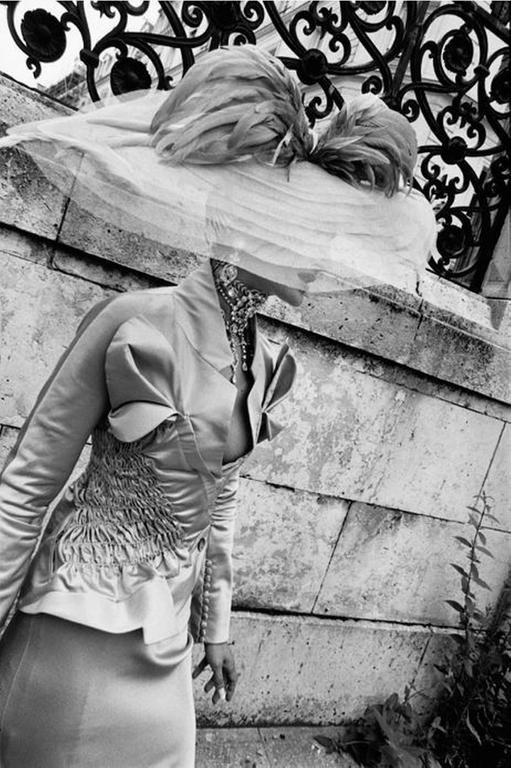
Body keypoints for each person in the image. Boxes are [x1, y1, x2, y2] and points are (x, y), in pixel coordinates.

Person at [0, 46, 437, 767]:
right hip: (75, 635)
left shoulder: (261, 361)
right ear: (250, 223)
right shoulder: (135, 322)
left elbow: (221, 497)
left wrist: (216, 625)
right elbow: (27, 483)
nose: (324, 255)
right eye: (310, 231)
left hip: (165, 650)